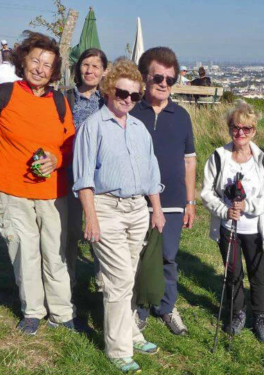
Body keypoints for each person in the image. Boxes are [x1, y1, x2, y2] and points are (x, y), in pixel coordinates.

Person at [0, 31, 79, 336]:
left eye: (47, 64)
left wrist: (57, 160)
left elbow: (70, 144)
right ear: (24, 60)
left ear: (54, 71)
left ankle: (62, 312)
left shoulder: (60, 101)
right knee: (24, 252)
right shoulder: (0, 95)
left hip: (52, 192)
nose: (40, 69)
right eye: (35, 60)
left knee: (56, 253)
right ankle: (32, 310)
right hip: (10, 191)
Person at [72, 58, 164, 374]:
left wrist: (157, 209)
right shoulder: (92, 127)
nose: (128, 100)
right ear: (110, 90)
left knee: (131, 274)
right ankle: (117, 348)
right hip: (106, 207)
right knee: (119, 278)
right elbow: (83, 177)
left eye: (135, 96)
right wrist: (91, 217)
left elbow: (151, 171)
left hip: (138, 209)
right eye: (122, 93)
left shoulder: (139, 129)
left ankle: (132, 332)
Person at [200, 100, 264, 344]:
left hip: (255, 229)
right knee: (233, 271)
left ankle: (261, 318)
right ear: (229, 128)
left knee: (258, 275)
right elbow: (206, 193)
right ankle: (238, 313)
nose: (241, 133)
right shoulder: (218, 157)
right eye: (236, 128)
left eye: (247, 129)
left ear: (254, 130)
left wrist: (249, 206)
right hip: (228, 228)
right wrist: (225, 210)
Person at [130, 47, 196, 335]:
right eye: (158, 76)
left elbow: (189, 160)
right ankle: (139, 307)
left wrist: (190, 202)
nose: (164, 83)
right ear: (145, 76)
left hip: (172, 201)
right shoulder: (131, 110)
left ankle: (166, 307)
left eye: (171, 78)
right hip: (134, 200)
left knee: (168, 256)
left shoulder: (181, 116)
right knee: (138, 256)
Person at [64, 47, 108, 288]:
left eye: (95, 66)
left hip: (100, 180)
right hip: (69, 177)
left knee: (100, 235)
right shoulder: (65, 98)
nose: (90, 70)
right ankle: (67, 286)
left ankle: (103, 286)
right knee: (69, 235)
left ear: (104, 72)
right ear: (78, 67)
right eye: (85, 65)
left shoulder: (109, 101)